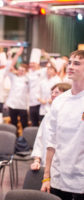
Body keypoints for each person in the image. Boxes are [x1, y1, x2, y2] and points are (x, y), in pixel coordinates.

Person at [41, 50, 84, 199]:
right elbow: (51, 141)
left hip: (80, 181)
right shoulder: (59, 101)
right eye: (70, 63)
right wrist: (47, 176)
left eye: (77, 63)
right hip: (58, 179)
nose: (71, 66)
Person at [30, 82, 71, 170]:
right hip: (46, 163)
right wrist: (37, 160)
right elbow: (39, 139)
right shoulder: (48, 115)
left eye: (56, 92)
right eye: (52, 92)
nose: (52, 95)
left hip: (65, 165)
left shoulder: (71, 115)